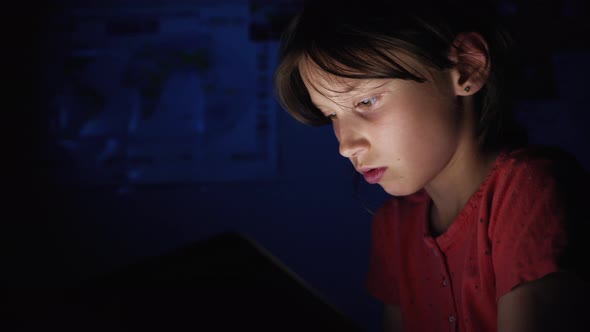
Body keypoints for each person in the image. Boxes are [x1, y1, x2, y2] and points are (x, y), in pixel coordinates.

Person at [273, 0, 590, 331]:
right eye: (332, 116)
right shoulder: (394, 227)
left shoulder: (529, 190)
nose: (346, 145)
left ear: (466, 67)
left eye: (366, 101)